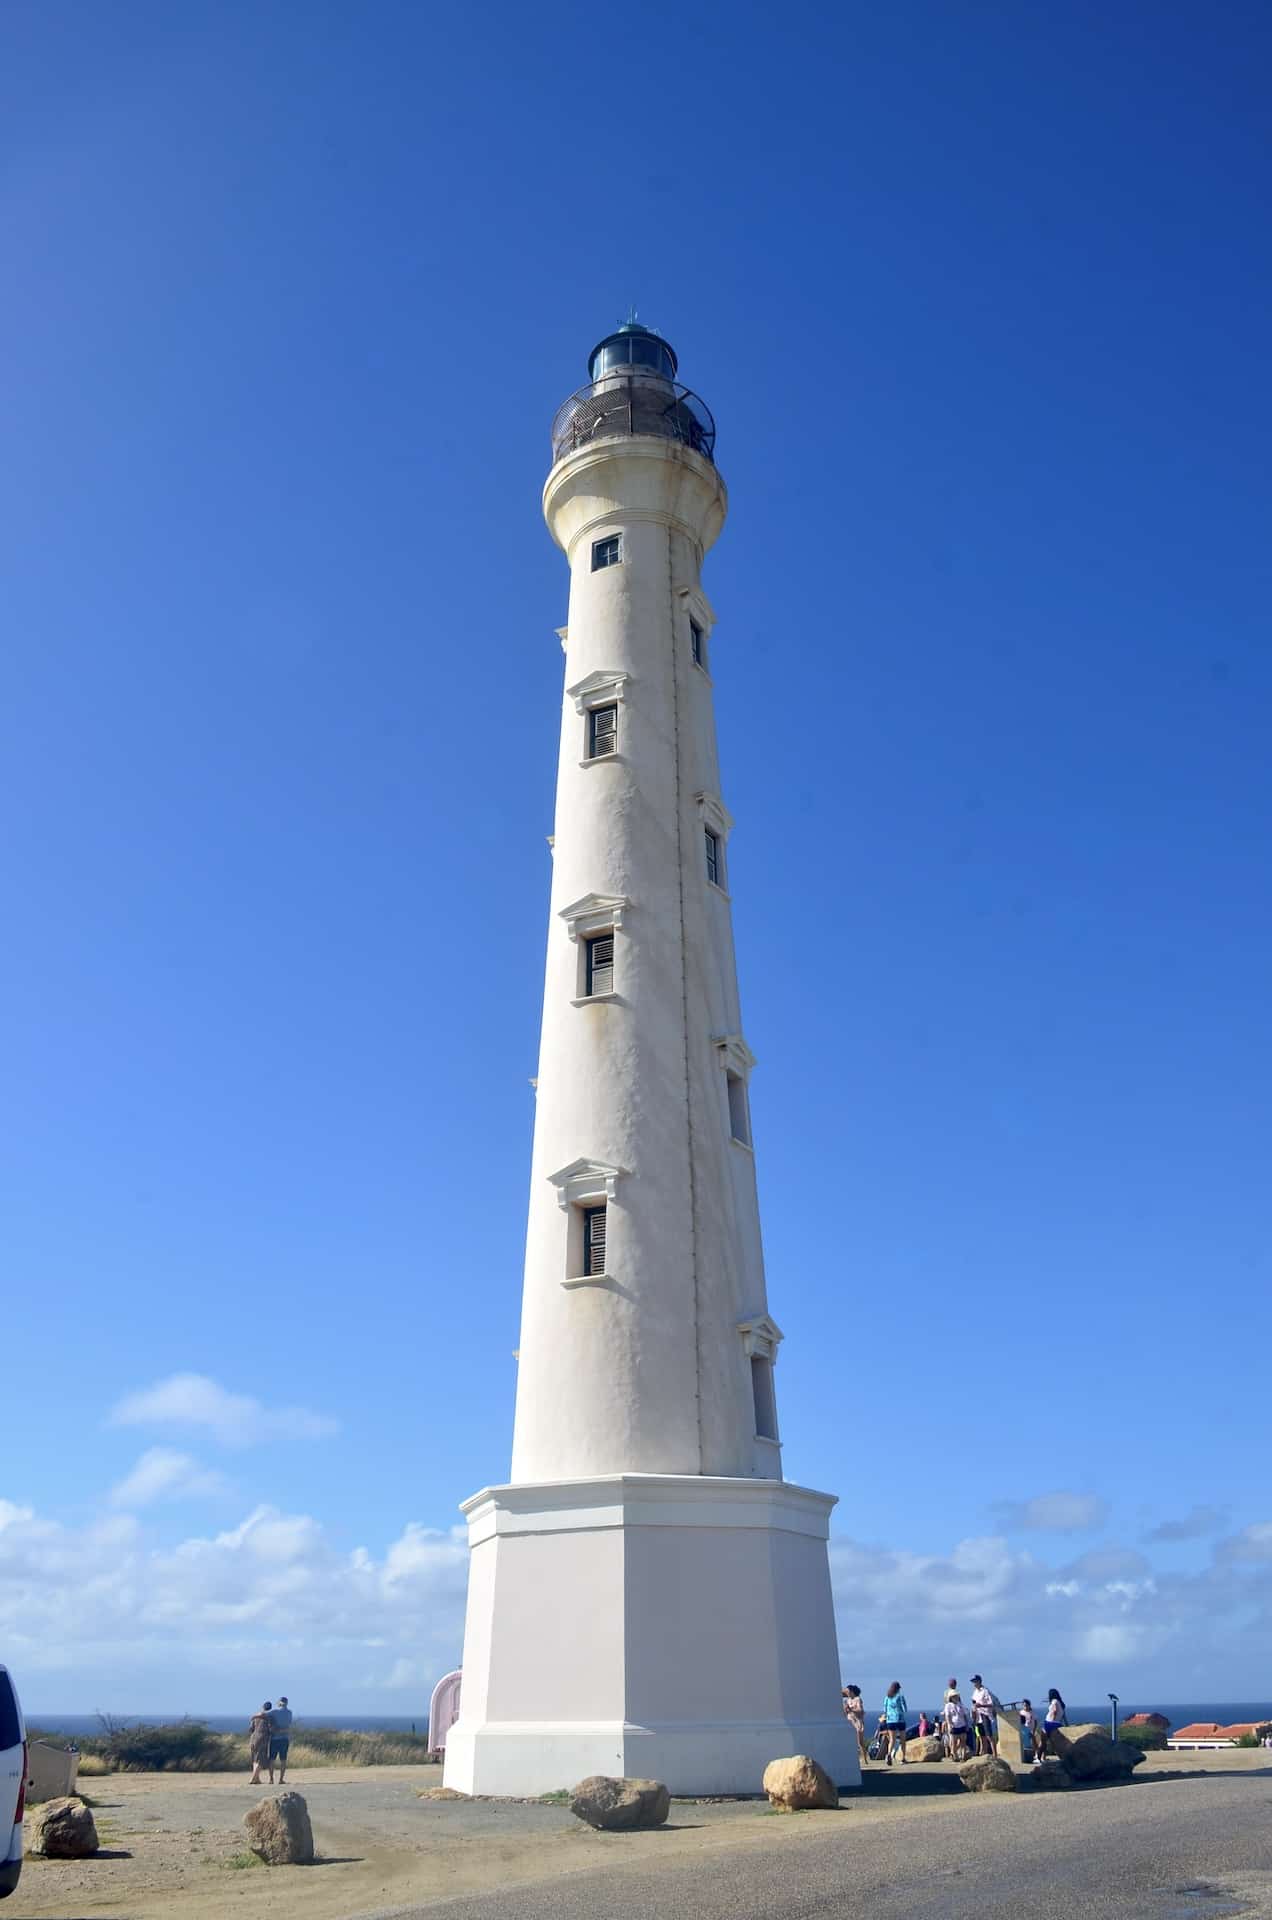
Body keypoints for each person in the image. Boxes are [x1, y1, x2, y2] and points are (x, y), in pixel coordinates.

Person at [1036, 1688, 1067, 1763]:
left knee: (1043, 1743)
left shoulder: (1054, 1701)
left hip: (1049, 1723)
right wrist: (1066, 1725)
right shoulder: (1060, 1703)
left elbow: (1054, 1711)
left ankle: (1038, 1759)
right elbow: (1063, 1716)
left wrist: (1052, 1720)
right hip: (1057, 1723)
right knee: (1054, 1743)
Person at [881, 1682, 908, 1766]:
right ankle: (903, 1758)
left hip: (890, 1720)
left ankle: (889, 1754)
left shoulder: (886, 1698)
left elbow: (884, 1710)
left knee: (892, 1740)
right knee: (903, 1740)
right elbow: (905, 1709)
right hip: (900, 1719)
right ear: (898, 1689)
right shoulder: (900, 1696)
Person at [842, 1685, 868, 1769]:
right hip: (850, 1721)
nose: (847, 1692)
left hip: (857, 1722)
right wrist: (846, 1709)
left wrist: (851, 1709)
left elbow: (860, 1710)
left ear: (852, 1691)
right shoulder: (847, 1700)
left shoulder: (858, 1699)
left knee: (860, 1742)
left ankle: (864, 1758)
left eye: (848, 1691)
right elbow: (846, 1712)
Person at [970, 1674, 997, 1757]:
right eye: (973, 1682)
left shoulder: (985, 1691)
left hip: (985, 1714)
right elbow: (974, 1702)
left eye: (975, 1681)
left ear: (979, 1681)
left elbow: (991, 1704)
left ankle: (994, 1754)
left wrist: (981, 1705)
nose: (974, 1683)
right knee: (982, 1736)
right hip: (978, 1716)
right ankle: (984, 1753)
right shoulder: (975, 1692)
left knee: (989, 1736)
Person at [268, 1695, 293, 1784]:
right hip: (284, 1739)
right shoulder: (289, 1712)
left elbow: (264, 1715)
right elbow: (289, 1725)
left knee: (272, 1759)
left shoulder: (273, 1712)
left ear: (279, 1703)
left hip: (274, 1738)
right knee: (283, 1760)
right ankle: (281, 1779)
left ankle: (271, 1779)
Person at [248, 1702, 274, 1786]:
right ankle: (253, 1778)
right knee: (260, 1759)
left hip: (253, 1738)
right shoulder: (269, 1718)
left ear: (263, 1707)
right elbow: (271, 1729)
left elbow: (251, 1729)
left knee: (255, 1759)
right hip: (262, 1739)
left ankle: (257, 1779)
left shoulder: (255, 1717)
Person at [942, 1690, 970, 1761]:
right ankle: (955, 1755)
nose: (956, 1697)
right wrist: (950, 1724)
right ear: (951, 1698)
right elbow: (948, 1716)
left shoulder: (961, 1705)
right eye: (954, 1696)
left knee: (963, 1742)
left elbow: (965, 1715)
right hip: (954, 1726)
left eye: (956, 1696)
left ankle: (963, 1756)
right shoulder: (948, 1706)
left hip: (962, 1725)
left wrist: (967, 1725)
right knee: (954, 1743)